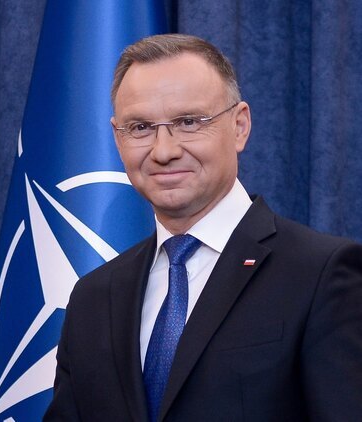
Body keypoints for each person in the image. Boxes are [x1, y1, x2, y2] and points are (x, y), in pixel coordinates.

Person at [45, 33, 362, 421]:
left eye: (188, 122)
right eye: (141, 127)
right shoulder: (93, 298)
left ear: (240, 126)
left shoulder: (320, 275)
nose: (164, 151)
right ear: (117, 138)